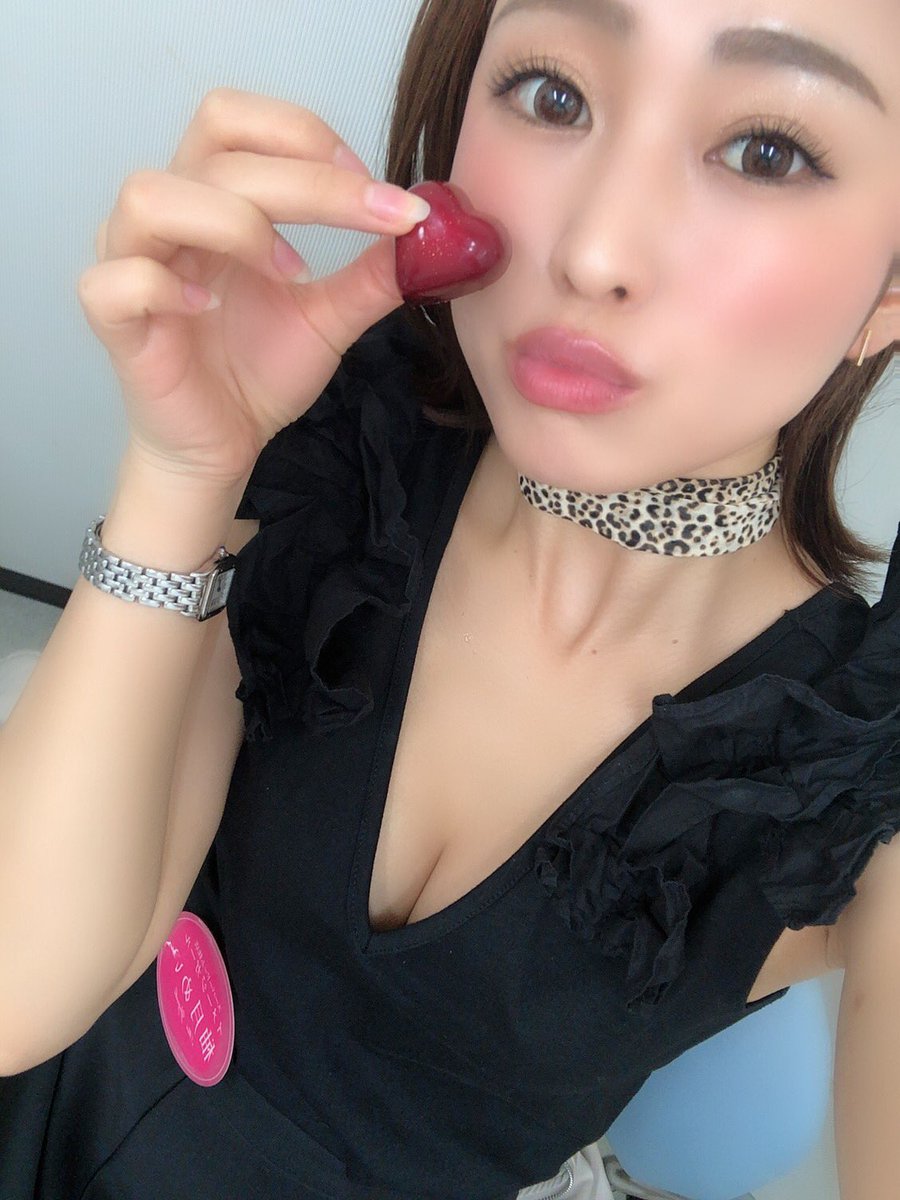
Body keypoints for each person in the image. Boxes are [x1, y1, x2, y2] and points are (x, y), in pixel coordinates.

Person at [1, 0, 899, 1196]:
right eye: (554, 94)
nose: (594, 250)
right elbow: (19, 995)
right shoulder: (353, 438)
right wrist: (182, 478)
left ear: (890, 291)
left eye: (767, 152)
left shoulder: (854, 771)